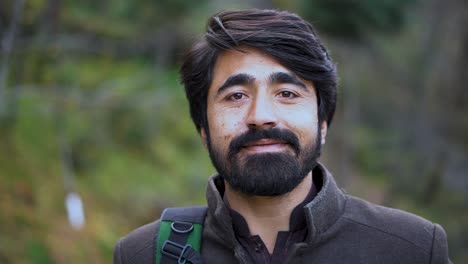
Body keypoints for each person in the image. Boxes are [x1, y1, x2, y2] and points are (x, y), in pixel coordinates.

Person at [113, 9, 451, 264]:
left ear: (323, 124)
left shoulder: (413, 248)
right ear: (203, 130)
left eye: (287, 93)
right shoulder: (142, 254)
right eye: (235, 96)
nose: (261, 116)